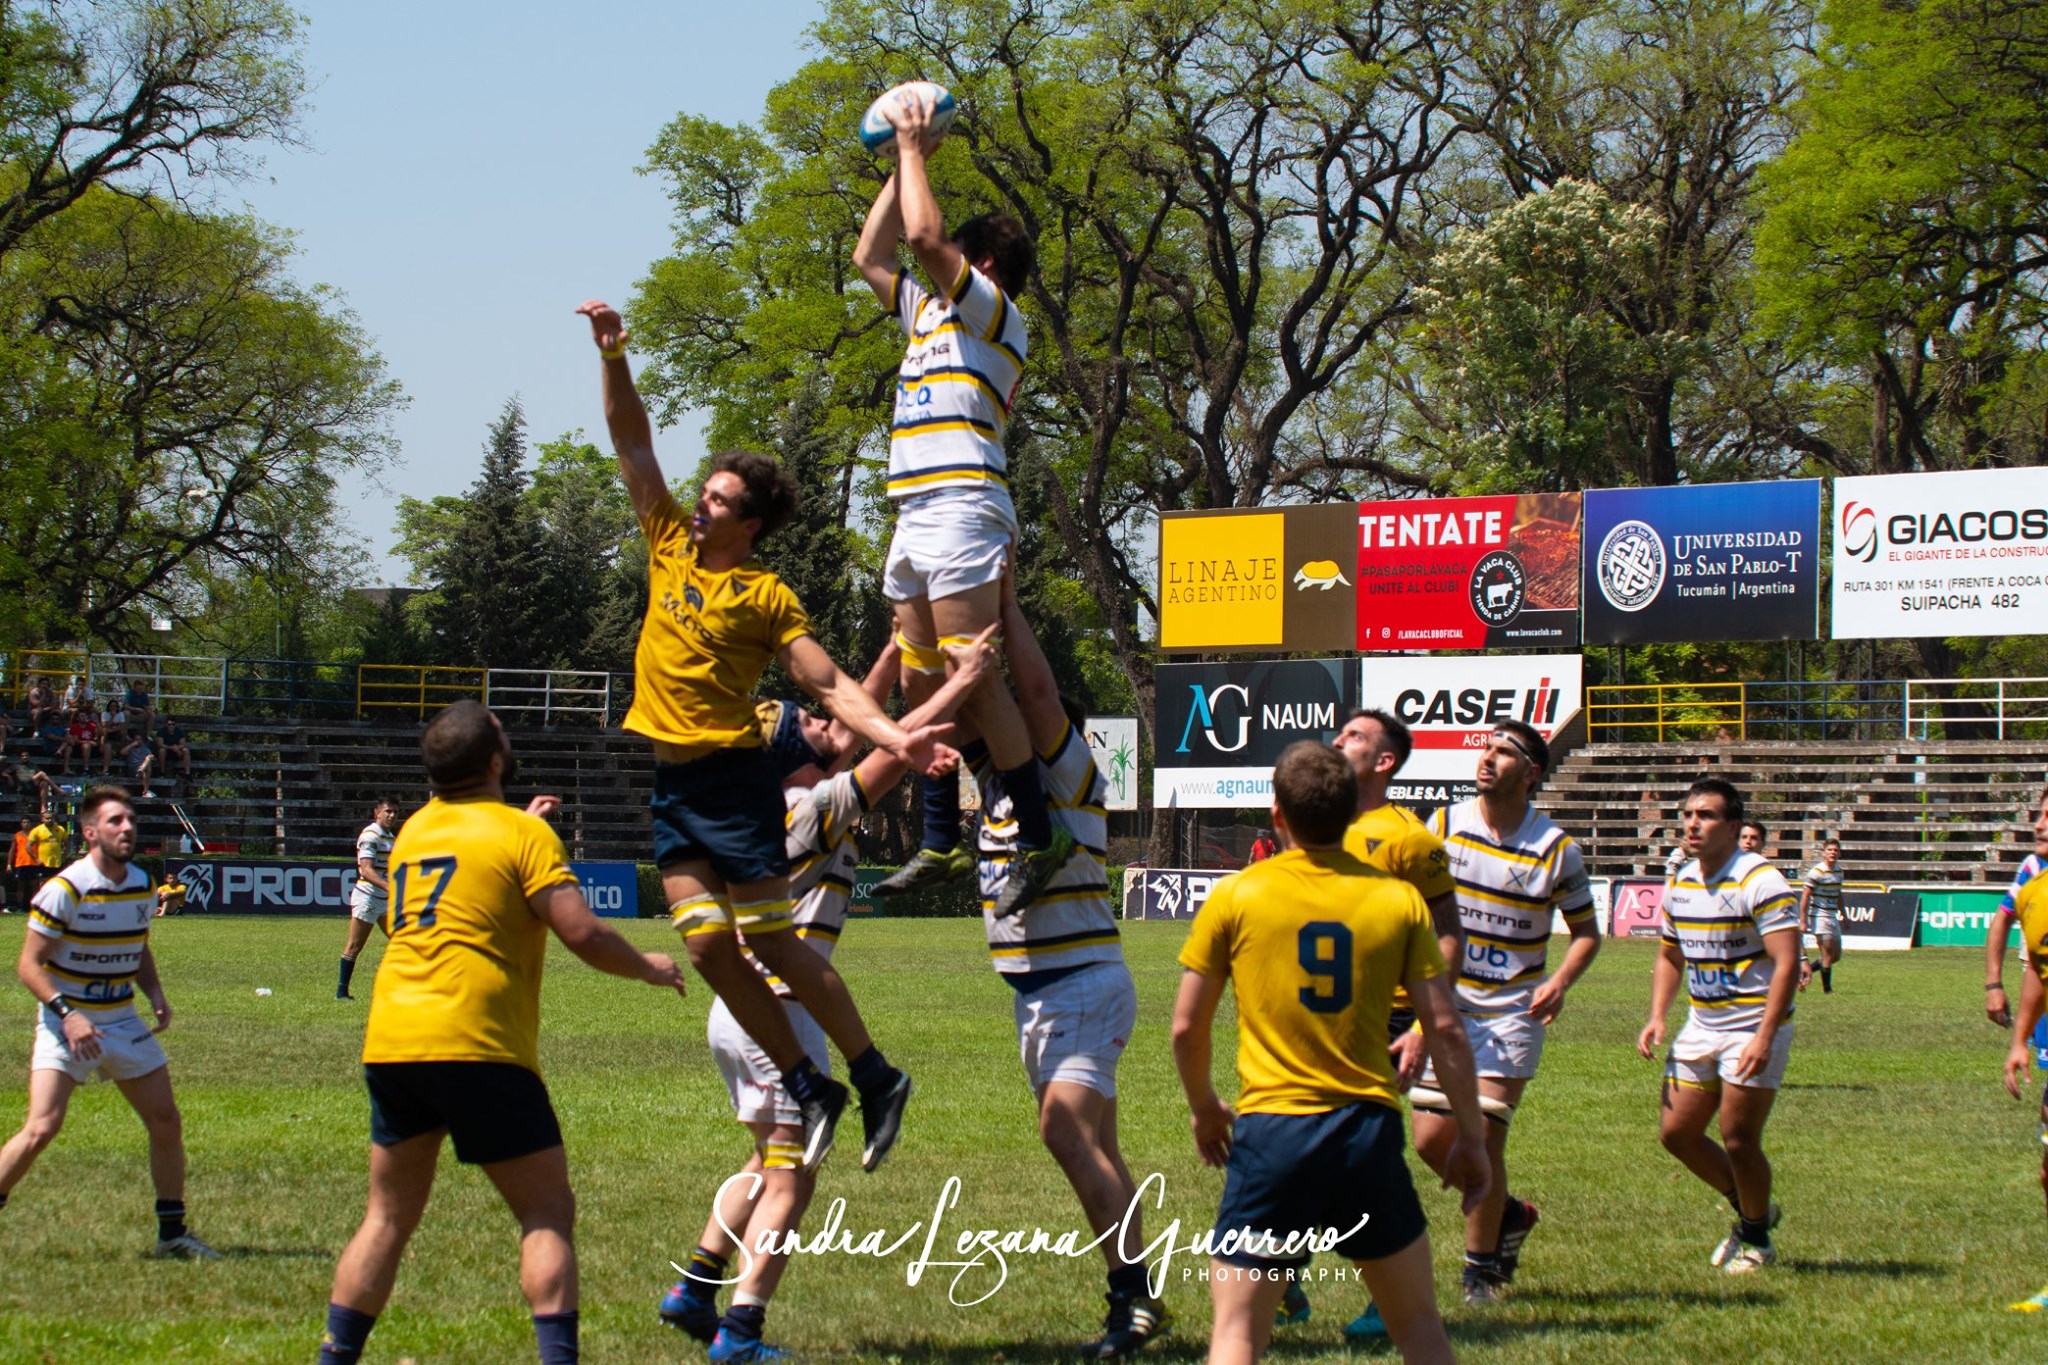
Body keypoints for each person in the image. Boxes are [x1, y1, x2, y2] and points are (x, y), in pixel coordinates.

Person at [578, 298, 954, 1172]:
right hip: (672, 788)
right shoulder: (668, 541)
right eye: (703, 493)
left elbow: (826, 683)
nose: (700, 507)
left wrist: (896, 740)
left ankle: (874, 1073)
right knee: (708, 946)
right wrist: (614, 354)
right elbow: (633, 442)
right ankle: (810, 1082)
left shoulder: (767, 596)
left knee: (774, 943)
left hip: (733, 784)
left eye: (718, 501)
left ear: (748, 524)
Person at [316, 701, 688, 1365]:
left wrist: (523, 827)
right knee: (546, 1211)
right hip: (478, 1039)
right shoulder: (522, 836)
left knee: (387, 1216)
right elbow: (582, 931)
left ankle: (335, 1355)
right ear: (494, 761)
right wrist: (648, 966)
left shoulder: (416, 833)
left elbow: (471, 865)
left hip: (394, 1036)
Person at [661, 639, 990, 1361]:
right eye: (811, 721)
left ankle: (694, 1285)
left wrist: (900, 641)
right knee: (795, 1181)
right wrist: (959, 684)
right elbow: (890, 751)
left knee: (769, 1160)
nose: (827, 721)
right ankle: (741, 1331)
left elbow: (854, 720)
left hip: (740, 1007)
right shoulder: (812, 807)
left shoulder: (771, 802)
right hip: (779, 1009)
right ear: (796, 756)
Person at [1172, 741, 1490, 1365]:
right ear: (1351, 817)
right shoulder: (1396, 901)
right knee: (1419, 1325)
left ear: (1276, 815)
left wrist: (1206, 1108)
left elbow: (1187, 1027)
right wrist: (1473, 1140)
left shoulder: (1238, 895)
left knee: (1237, 1333)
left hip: (1272, 1133)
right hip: (1365, 1133)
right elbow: (1446, 1030)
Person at [851, 86, 1073, 921]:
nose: (930, 266)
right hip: (914, 509)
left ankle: (1038, 832)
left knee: (974, 684)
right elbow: (875, 258)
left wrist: (913, 144)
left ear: (982, 269)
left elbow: (921, 236)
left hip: (964, 505)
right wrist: (904, 163)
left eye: (952, 258)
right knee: (919, 686)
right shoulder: (927, 316)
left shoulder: (995, 317)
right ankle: (941, 838)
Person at [948, 562, 1164, 1359]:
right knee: (1098, 1148)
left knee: (1063, 1132)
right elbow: (954, 708)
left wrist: (1004, 597)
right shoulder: (1003, 795)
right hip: (1036, 993)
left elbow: (1035, 700)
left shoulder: (1071, 778)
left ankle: (1131, 1298)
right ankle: (1143, 1289)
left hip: (1082, 983)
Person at [1281, 708, 1466, 1337]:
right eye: (1339, 734)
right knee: (1315, 1142)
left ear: (1384, 762)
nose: (1338, 741)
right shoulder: (1308, 823)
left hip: (1385, 1018)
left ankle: (1364, 1292)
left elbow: (1448, 938)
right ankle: (1289, 1274)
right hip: (1316, 1014)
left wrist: (1421, 1024)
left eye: (1355, 737)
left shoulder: (1409, 839)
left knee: (1349, 1150)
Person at [1413, 720, 1598, 1306]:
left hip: (1513, 1012)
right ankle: (1509, 1215)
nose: (1486, 757)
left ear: (1532, 772)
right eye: (1484, 748)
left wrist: (1561, 981)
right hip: (1446, 1005)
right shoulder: (1441, 826)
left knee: (1485, 1137)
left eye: (1502, 750)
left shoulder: (1555, 848)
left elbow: (1588, 932)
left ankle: (1480, 1271)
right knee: (1428, 1141)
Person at [0, 785, 212, 1258]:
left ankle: (172, 1235)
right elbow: (29, 966)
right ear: (91, 832)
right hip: (65, 1022)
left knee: (165, 1120)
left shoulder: (140, 883)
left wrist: (154, 991)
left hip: (119, 1018)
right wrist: (68, 1017)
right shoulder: (64, 890)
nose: (128, 828)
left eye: (131, 820)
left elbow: (137, 944)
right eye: (116, 821)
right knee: (42, 1127)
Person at [1639, 777, 1801, 1274]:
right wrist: (1657, 1016)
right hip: (1701, 1024)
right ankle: (1754, 1212)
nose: (1692, 823)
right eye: (1688, 814)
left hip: (1752, 1025)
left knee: (1737, 1137)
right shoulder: (1683, 881)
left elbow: (1788, 963)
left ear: (1733, 826)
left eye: (1705, 815)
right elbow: (1669, 955)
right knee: (1677, 1133)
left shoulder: (1760, 881)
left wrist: (1765, 1036)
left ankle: (1757, 1243)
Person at [1999, 790, 2048, 1310]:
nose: (2038, 823)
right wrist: (2019, 1041)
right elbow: (2038, 968)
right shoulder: (2035, 893)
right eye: (2038, 813)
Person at [1985, 793, 2048, 1032]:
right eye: (2039, 815)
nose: (2038, 825)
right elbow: (2002, 920)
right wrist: (1993, 986)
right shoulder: (2033, 868)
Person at [337, 799, 399, 1001]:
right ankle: (341, 992)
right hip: (368, 897)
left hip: (386, 899)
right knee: (355, 946)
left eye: (395, 812)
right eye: (388, 811)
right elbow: (366, 869)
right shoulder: (370, 835)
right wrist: (389, 886)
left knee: (402, 941)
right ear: (377, 813)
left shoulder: (391, 837)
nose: (392, 816)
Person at [1800, 837, 1844, 994]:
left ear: (1839, 853)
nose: (1833, 852)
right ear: (1824, 853)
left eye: (1835, 850)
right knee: (1826, 954)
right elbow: (1805, 895)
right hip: (1819, 917)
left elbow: (1839, 894)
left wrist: (1843, 915)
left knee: (1835, 956)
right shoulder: (1816, 872)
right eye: (1830, 850)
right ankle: (1828, 990)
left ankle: (1805, 972)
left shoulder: (1839, 872)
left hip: (1832, 916)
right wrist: (1803, 920)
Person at [55, 710, 97, 776]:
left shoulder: (91, 725)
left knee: (87, 746)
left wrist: (97, 722)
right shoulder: (75, 727)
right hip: (78, 747)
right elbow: (76, 741)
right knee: (72, 747)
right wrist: (89, 742)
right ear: (77, 718)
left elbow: (101, 733)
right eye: (82, 716)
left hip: (92, 749)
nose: (84, 717)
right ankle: (67, 769)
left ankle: (86, 769)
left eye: (85, 716)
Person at [7, 817, 36, 913]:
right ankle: (20, 907)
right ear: (21, 824)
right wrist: (9, 864)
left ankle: (34, 907)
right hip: (21, 863)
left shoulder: (35, 834)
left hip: (33, 863)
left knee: (34, 886)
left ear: (31, 823)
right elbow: (12, 850)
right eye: (24, 822)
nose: (26, 824)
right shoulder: (17, 835)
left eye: (28, 822)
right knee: (20, 886)